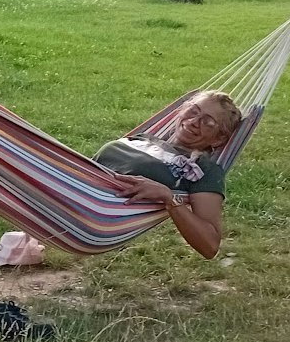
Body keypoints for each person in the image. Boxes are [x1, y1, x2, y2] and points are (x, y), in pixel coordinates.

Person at [95, 89, 241, 260]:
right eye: (193, 111)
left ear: (218, 139)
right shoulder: (143, 137)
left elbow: (210, 246)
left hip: (95, 213)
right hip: (74, 185)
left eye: (207, 122)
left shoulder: (204, 170)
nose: (194, 121)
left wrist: (169, 198)